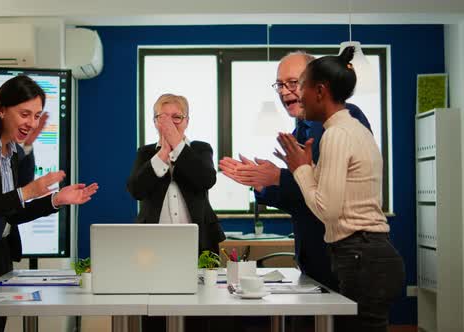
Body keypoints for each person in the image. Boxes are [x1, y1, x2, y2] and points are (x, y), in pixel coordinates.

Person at [0, 75, 98, 332]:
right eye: (25, 114)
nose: (31, 123)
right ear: (1, 110)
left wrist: (56, 200)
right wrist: (25, 192)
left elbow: (10, 214)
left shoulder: (11, 151)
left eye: (37, 116)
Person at [219, 51, 371, 291]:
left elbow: (327, 195)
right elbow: (304, 198)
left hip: (346, 256)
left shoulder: (342, 122)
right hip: (316, 260)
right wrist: (262, 183)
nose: (283, 91)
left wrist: (277, 177)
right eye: (279, 84)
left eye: (293, 82)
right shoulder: (301, 129)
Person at [276, 47, 404, 332]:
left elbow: (327, 210)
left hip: (360, 256)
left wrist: (300, 169)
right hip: (371, 254)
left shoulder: (335, 135)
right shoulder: (351, 129)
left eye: (301, 87)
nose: (293, 96)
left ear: (320, 91)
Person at [127, 93, 225, 254]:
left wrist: (177, 146)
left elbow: (207, 180)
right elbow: (136, 190)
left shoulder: (200, 149)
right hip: (153, 242)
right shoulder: (145, 152)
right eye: (163, 118)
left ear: (186, 121)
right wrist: (163, 153)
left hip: (199, 241)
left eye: (176, 117)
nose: (170, 123)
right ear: (155, 122)